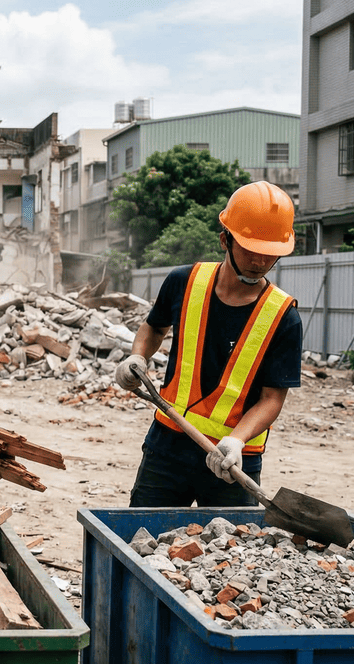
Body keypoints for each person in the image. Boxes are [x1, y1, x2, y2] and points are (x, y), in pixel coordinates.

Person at [114, 180, 303, 507]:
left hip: (233, 461)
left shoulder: (283, 316)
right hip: (168, 446)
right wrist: (136, 357)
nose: (259, 262)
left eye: (269, 254)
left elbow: (272, 399)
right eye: (251, 250)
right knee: (140, 541)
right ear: (224, 239)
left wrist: (236, 441)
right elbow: (153, 328)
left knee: (226, 554)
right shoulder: (183, 282)